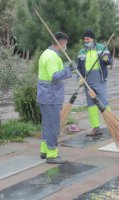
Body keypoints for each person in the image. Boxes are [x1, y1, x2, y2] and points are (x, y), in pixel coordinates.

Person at [37, 32, 75, 164]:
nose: (66, 46)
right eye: (66, 43)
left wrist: (66, 69)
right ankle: (52, 155)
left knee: (46, 125)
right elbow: (54, 76)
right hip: (51, 97)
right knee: (53, 126)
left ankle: (44, 151)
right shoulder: (53, 57)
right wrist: (68, 70)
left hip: (45, 96)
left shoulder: (45, 53)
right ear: (62, 42)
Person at [77, 29, 112, 136]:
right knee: (91, 105)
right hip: (88, 82)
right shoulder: (82, 52)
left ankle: (112, 125)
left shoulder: (101, 48)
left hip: (100, 80)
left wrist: (106, 59)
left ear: (92, 39)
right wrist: (79, 78)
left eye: (88, 38)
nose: (86, 41)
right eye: (84, 39)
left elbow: (110, 62)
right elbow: (79, 67)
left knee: (104, 103)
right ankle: (96, 128)